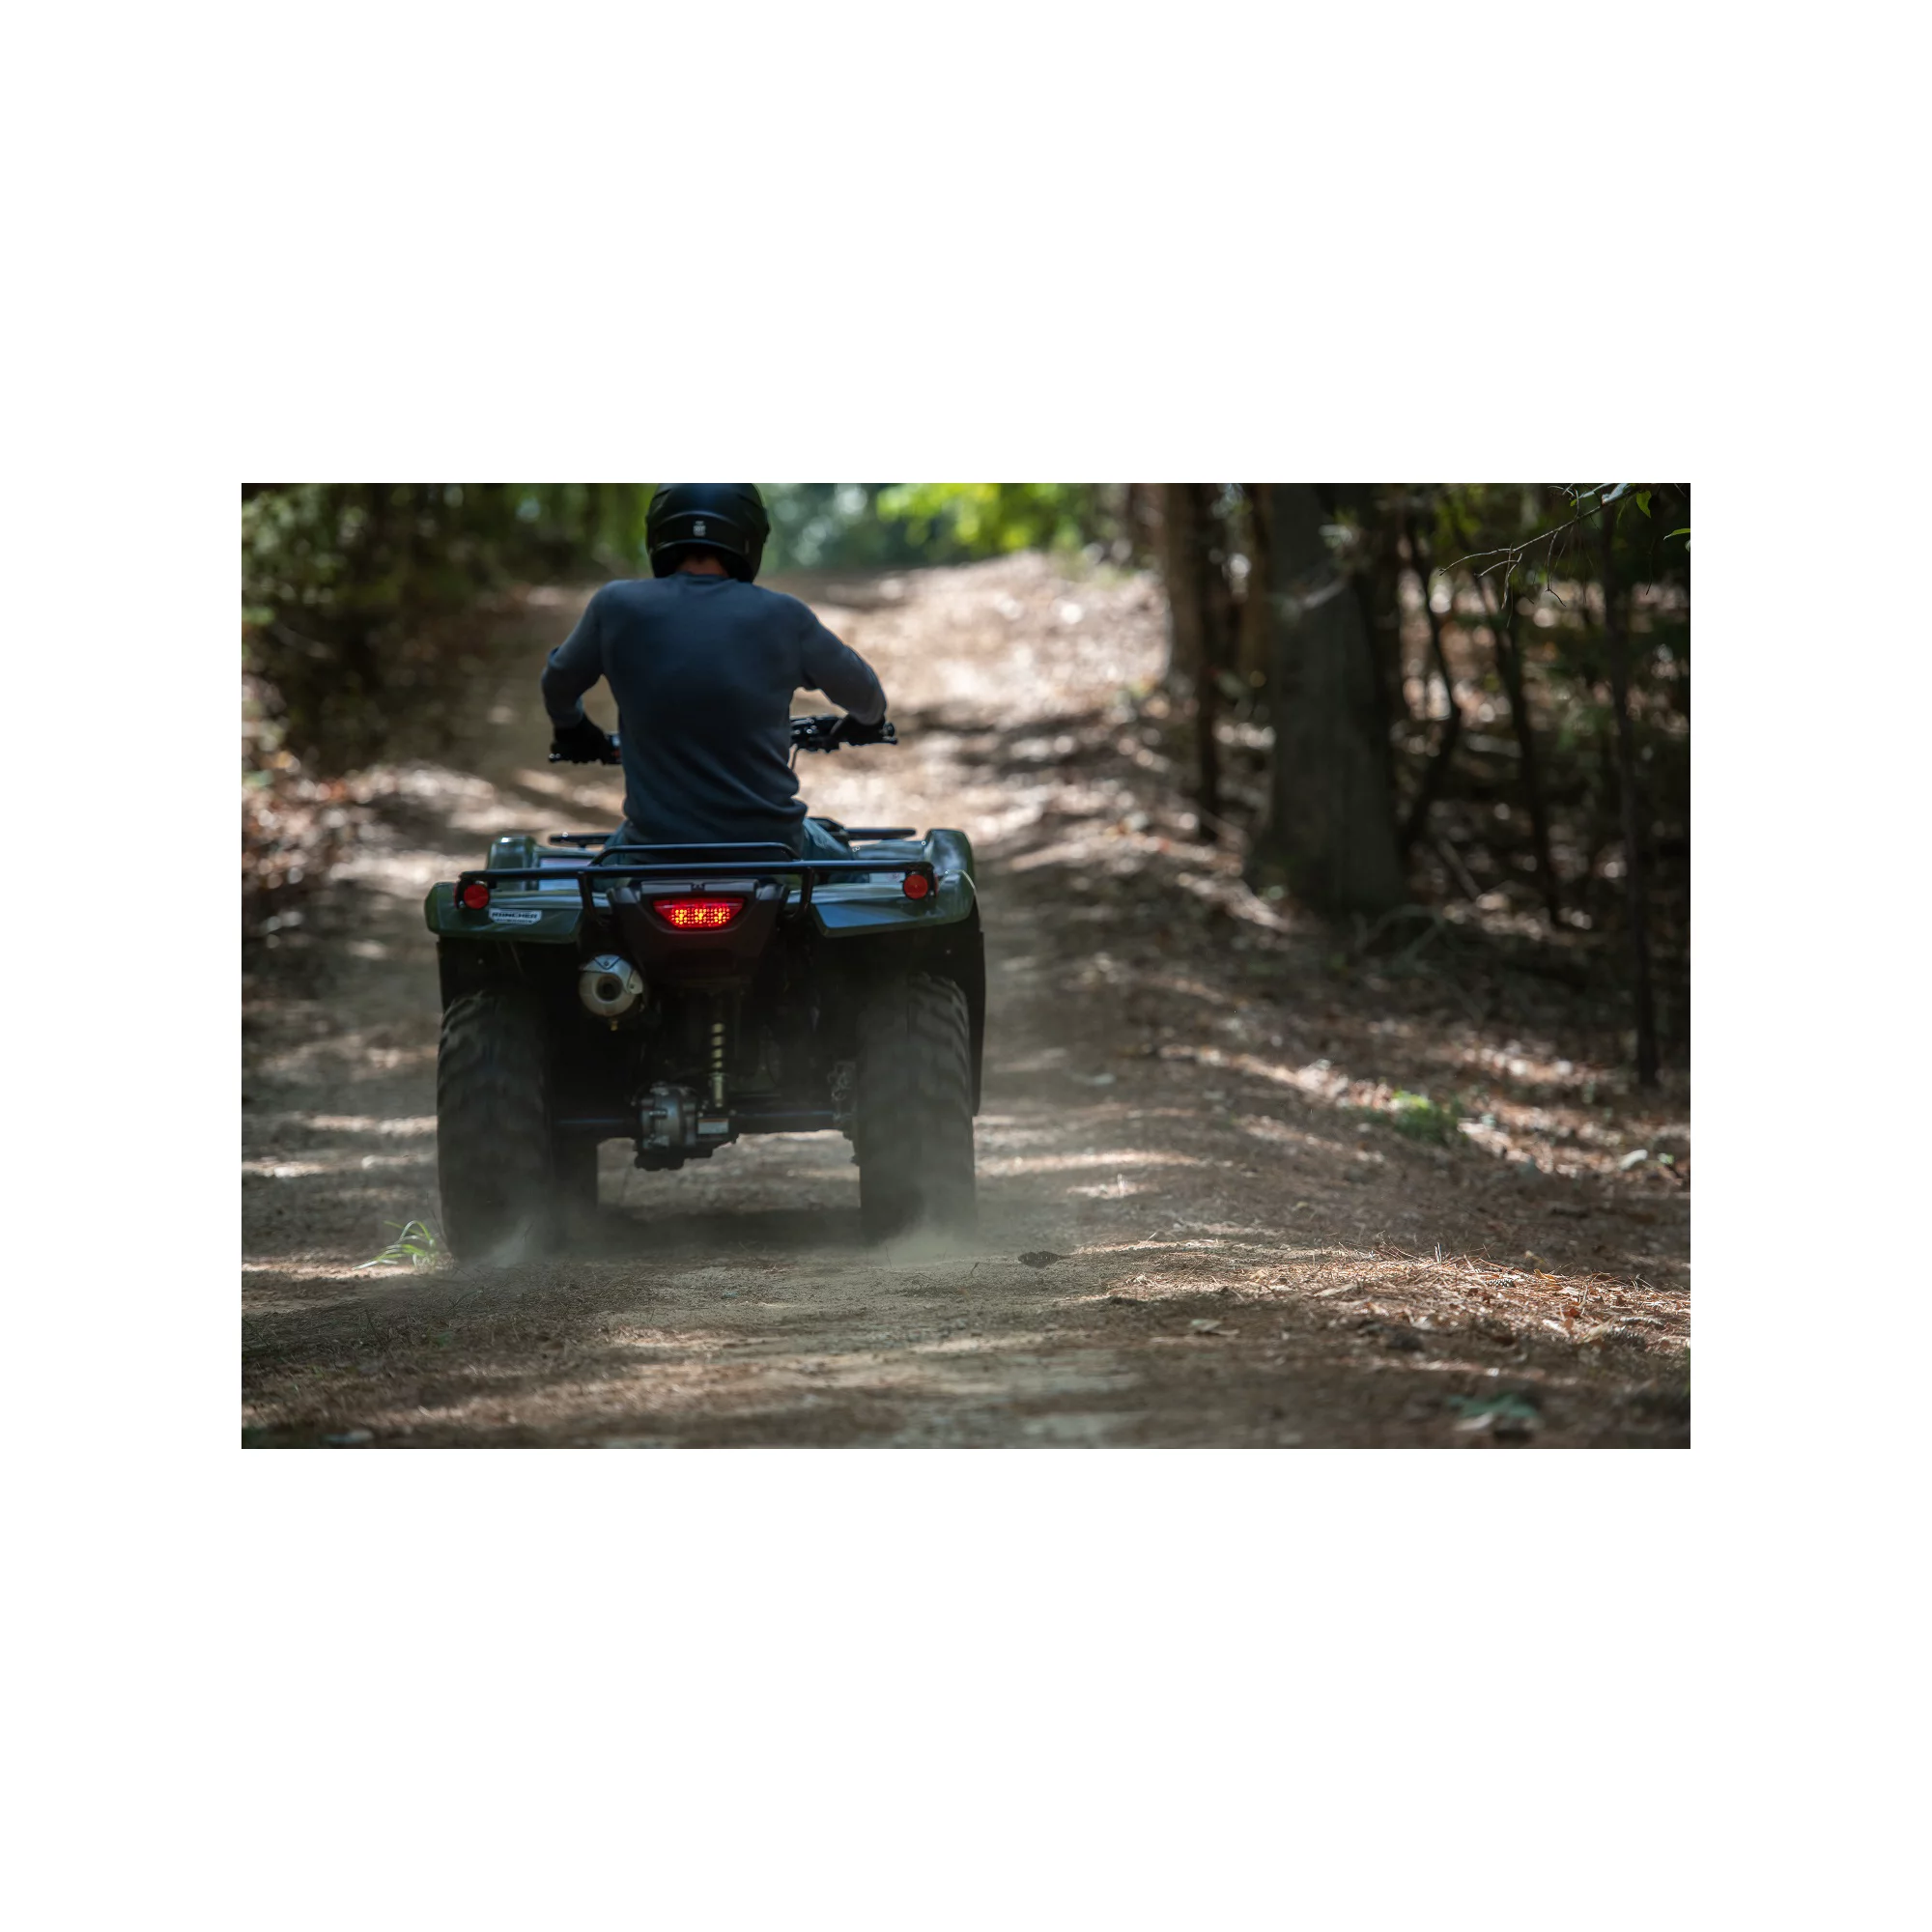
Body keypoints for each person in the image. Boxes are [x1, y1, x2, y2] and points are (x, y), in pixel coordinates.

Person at [541, 484, 888, 858]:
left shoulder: (614, 607)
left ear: (658, 533)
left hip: (652, 853)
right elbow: (867, 697)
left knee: (595, 878)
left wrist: (574, 730)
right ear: (750, 536)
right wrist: (863, 723)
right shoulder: (784, 616)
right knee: (856, 868)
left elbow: (558, 683)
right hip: (772, 850)